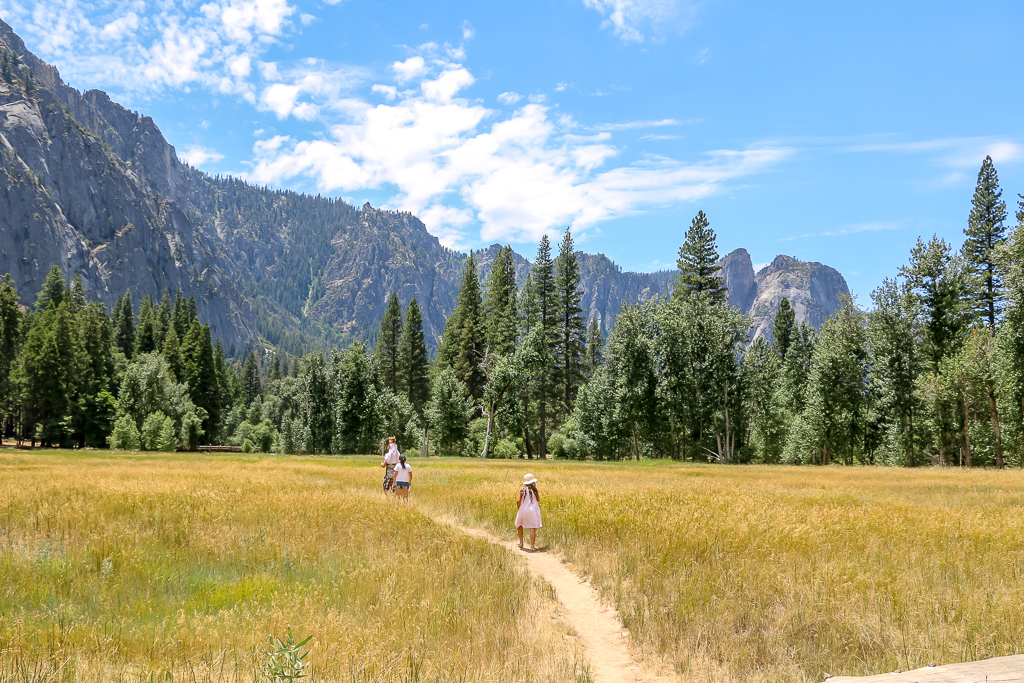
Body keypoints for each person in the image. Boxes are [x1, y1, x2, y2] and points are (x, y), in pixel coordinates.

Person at [514, 473, 542, 550]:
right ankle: (532, 546)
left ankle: (521, 542)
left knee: (519, 525)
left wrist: (519, 508)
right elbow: (538, 500)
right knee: (532, 528)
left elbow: (518, 500)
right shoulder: (534, 490)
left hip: (523, 510)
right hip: (532, 511)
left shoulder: (521, 489)